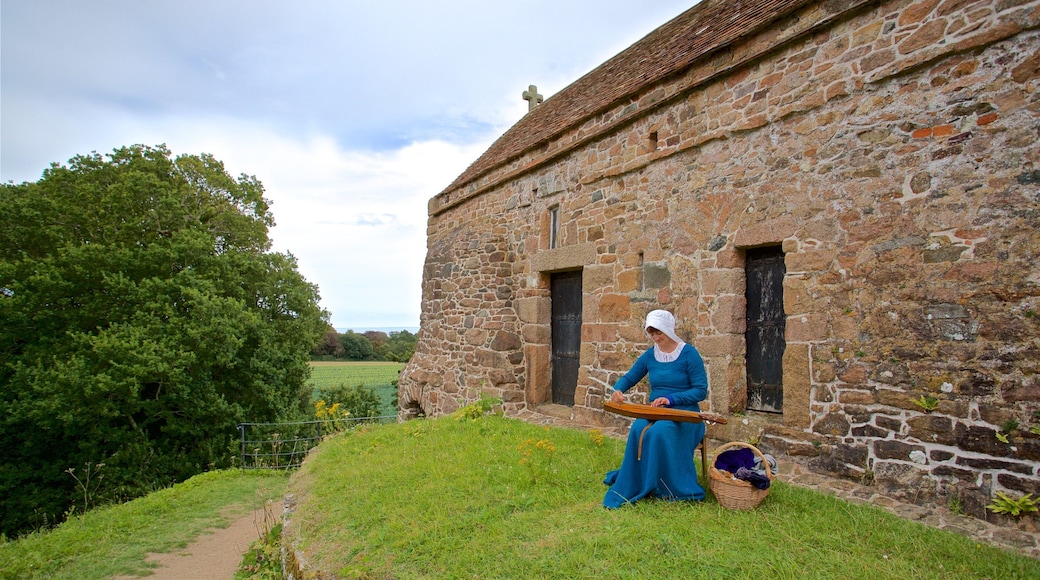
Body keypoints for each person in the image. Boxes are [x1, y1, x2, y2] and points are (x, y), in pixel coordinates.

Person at [603, 309, 708, 509]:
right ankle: (641, 480)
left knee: (659, 432)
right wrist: (617, 390)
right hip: (656, 411)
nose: (656, 338)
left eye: (659, 333)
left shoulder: (689, 354)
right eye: (652, 333)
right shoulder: (650, 355)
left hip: (686, 414)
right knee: (638, 428)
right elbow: (630, 377)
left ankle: (666, 486)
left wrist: (670, 399)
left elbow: (700, 391)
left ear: (668, 329)